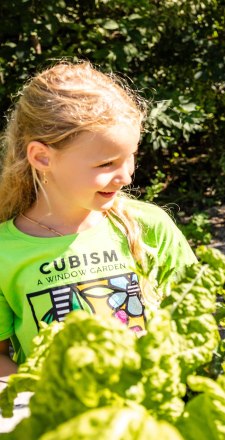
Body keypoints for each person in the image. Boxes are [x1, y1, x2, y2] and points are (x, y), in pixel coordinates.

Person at [0, 62, 197, 377]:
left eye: (130, 156)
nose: (126, 176)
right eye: (106, 163)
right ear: (42, 157)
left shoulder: (152, 226)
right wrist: (42, 395)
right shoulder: (4, 252)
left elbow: (196, 320)